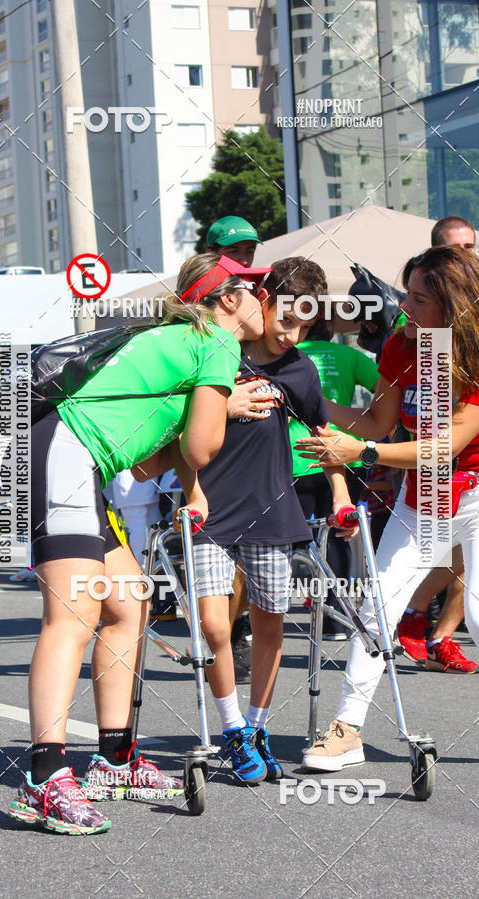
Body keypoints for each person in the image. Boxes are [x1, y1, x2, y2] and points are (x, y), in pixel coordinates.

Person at [7, 252, 271, 834]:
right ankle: (43, 779)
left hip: (73, 457)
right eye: (254, 289)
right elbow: (199, 448)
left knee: (128, 604)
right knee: (72, 617)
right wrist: (223, 408)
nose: (263, 299)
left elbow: (149, 464)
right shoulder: (217, 343)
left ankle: (115, 760)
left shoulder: (190, 340)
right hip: (63, 452)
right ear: (227, 300)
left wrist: (203, 431)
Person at [296, 246, 479, 771]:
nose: (405, 307)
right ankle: (347, 730)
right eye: (408, 295)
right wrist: (306, 398)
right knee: (377, 607)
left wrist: (363, 453)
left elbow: (444, 446)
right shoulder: (402, 345)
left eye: (419, 299)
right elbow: (377, 423)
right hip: (423, 497)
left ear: (454, 305)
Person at [194, 257, 358, 784]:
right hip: (210, 510)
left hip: (271, 509)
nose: (292, 335)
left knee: (269, 622)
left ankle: (256, 728)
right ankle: (231, 729)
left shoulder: (300, 370)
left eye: (304, 327)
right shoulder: (218, 351)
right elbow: (179, 424)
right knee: (214, 625)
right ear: (261, 299)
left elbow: (323, 436)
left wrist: (339, 495)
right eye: (286, 320)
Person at [398, 217, 479, 672]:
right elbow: (400, 399)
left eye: (470, 247)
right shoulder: (418, 313)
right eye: (455, 248)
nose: (465, 255)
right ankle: (410, 610)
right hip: (429, 460)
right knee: (443, 549)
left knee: (470, 555)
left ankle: (440, 638)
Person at [289, 315, 379, 638]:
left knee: (286, 537)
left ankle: (268, 610)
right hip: (343, 452)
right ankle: (336, 618)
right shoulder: (349, 355)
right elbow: (385, 390)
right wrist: (366, 422)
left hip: (296, 454)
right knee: (339, 534)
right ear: (330, 329)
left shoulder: (290, 354)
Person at [206, 214, 261, 678]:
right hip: (210, 445)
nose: (243, 257)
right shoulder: (207, 305)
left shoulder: (257, 296)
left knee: (246, 550)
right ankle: (218, 635)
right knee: (219, 550)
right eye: (234, 251)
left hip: (252, 440)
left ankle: (237, 630)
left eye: (249, 250)